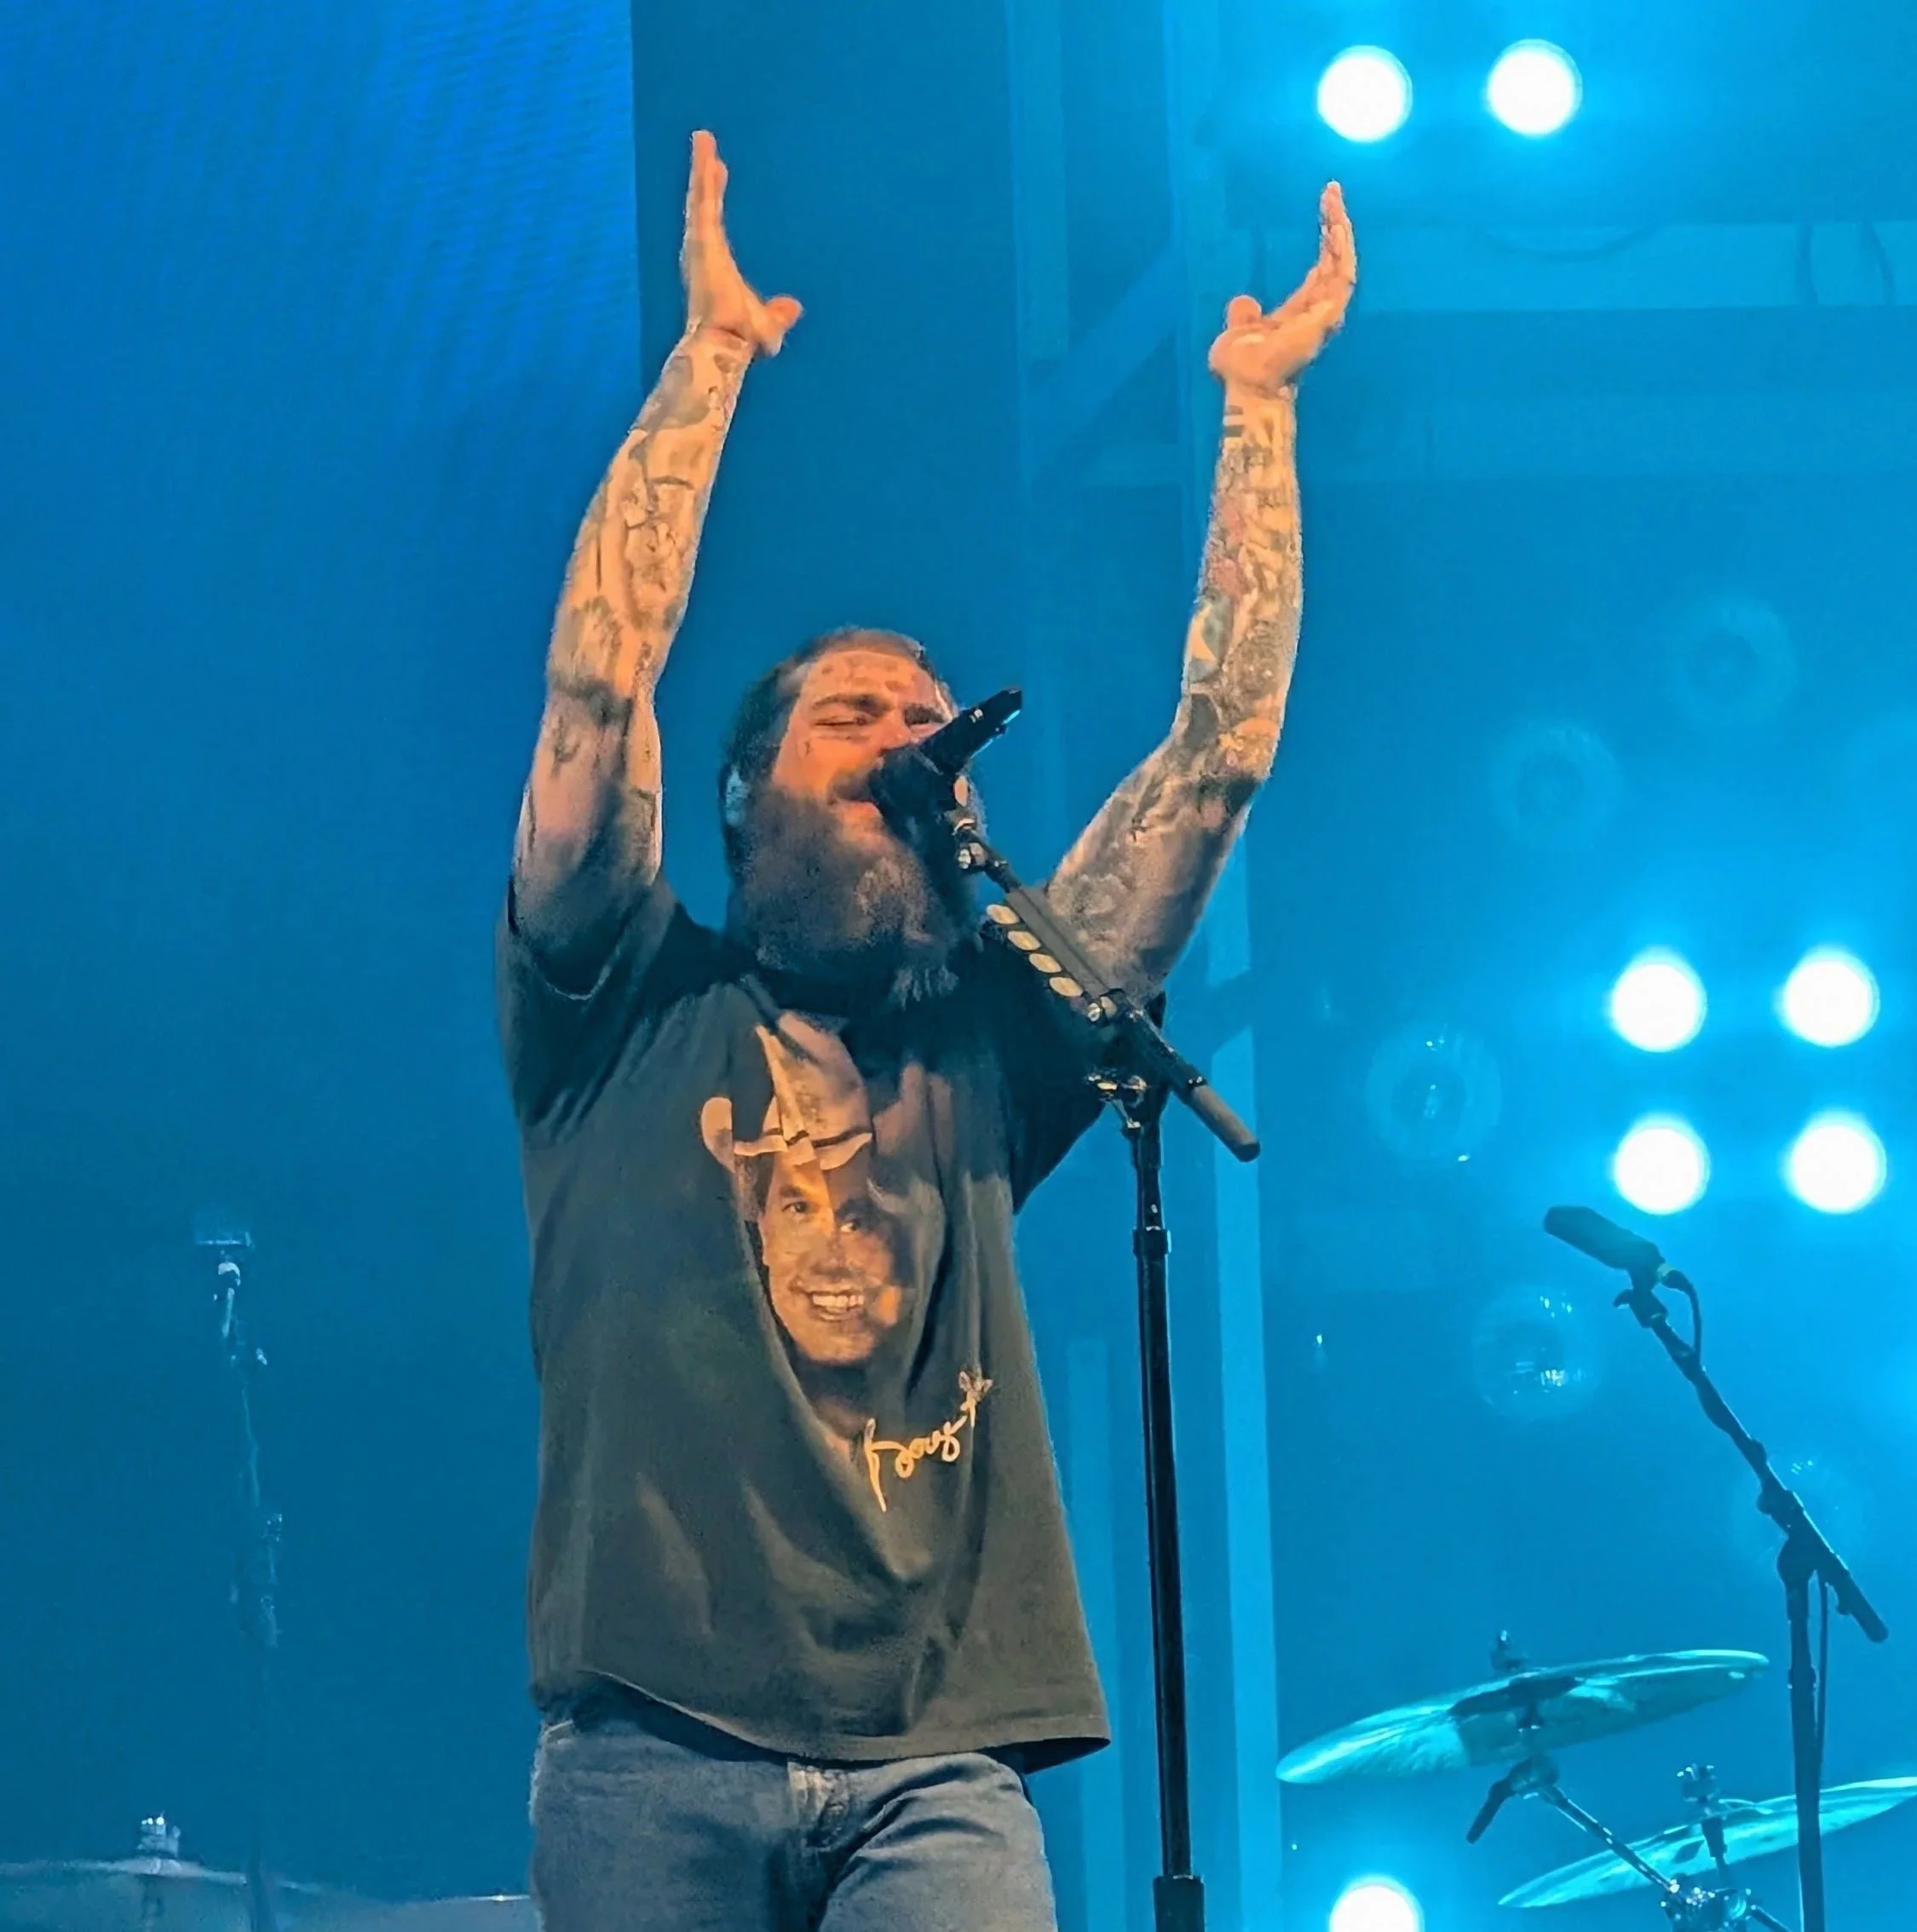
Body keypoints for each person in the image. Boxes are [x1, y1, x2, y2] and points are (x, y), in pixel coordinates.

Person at [496, 128, 1354, 1932]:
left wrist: (1257, 413)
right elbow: (598, 684)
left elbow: (1215, 768)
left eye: (929, 713)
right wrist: (711, 356)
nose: (909, 735)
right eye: (856, 716)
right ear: (745, 796)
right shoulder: (618, 1003)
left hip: (942, 1764)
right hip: (654, 1748)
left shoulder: (993, 1034)